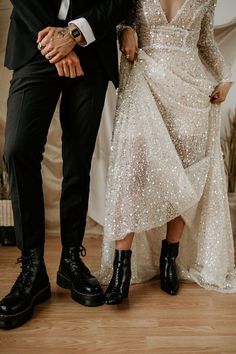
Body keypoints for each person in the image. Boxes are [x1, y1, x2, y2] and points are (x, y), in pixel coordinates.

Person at [0, 0, 131, 329]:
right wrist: (55, 41)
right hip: (34, 40)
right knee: (18, 150)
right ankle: (32, 269)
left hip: (92, 47)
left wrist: (75, 34)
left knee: (79, 158)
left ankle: (71, 260)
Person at [98, 0, 236, 305]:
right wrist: (125, 30)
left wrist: (226, 79)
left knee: (185, 172)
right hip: (145, 80)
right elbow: (119, 19)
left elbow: (206, 43)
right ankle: (122, 266)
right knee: (131, 170)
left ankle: (168, 258)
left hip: (191, 91)